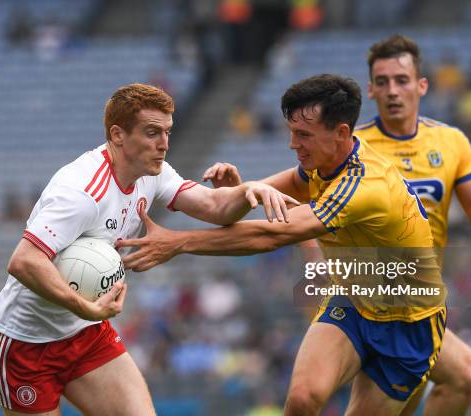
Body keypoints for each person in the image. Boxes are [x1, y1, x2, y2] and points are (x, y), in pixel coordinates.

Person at [119, 74, 448, 415]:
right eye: (292, 132)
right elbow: (249, 200)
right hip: (353, 301)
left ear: (341, 134)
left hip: (409, 323)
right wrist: (241, 191)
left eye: (303, 134)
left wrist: (178, 242)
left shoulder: (365, 186)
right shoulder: (324, 164)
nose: (293, 144)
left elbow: (271, 235)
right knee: (302, 400)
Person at [0, 83, 297, 416]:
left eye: (167, 132)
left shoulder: (152, 173)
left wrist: (250, 190)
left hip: (86, 333)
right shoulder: (80, 192)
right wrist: (83, 307)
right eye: (152, 133)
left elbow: (214, 206)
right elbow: (24, 261)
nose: (164, 144)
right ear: (118, 135)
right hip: (24, 345)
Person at [356, 35, 471, 416]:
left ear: (421, 85)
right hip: (370, 303)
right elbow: (309, 212)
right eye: (383, 81)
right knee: (448, 379)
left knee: (461, 378)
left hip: (420, 304)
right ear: (371, 89)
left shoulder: (451, 141)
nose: (393, 90)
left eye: (402, 80)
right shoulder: (353, 146)